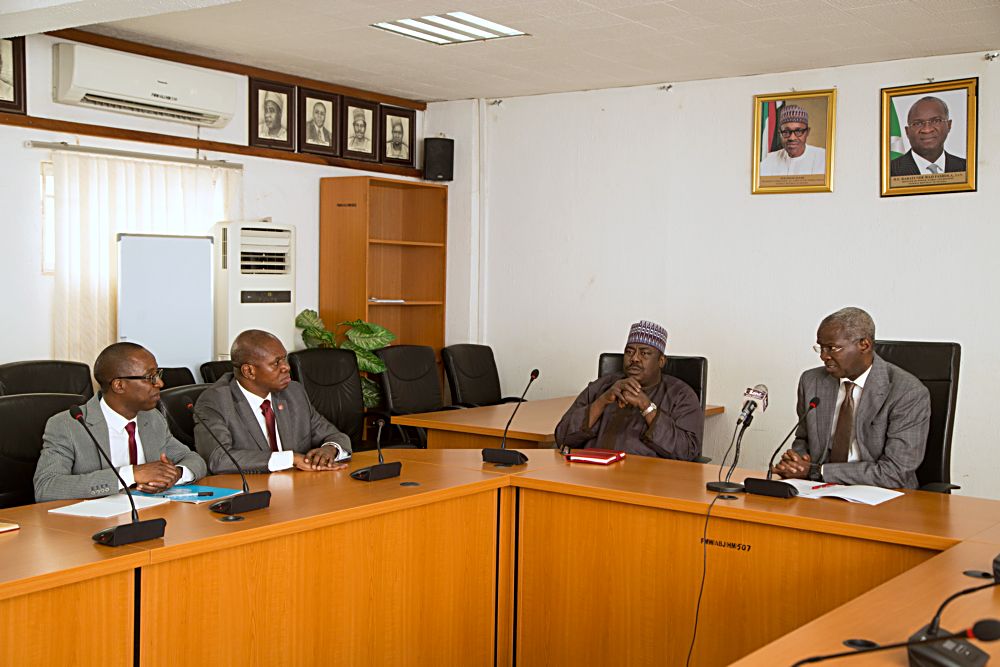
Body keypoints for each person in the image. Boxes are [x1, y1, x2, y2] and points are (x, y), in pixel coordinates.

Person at [773, 307, 931, 489]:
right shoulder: (811, 381)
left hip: (882, 495)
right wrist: (797, 461)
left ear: (864, 345)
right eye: (821, 348)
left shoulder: (908, 392)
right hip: (817, 491)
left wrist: (816, 471)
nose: (824, 356)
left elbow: (896, 472)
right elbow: (804, 438)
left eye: (833, 348)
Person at [33, 343, 208, 502]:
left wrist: (175, 474)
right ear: (119, 385)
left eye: (158, 375)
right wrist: (131, 474)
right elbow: (47, 487)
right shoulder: (69, 425)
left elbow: (194, 459)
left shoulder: (152, 418)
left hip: (150, 514)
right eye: (150, 377)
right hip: (92, 526)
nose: (160, 383)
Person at [193, 329, 352, 474]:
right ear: (249, 371)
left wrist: (330, 450)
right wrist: (290, 459)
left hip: (300, 489)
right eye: (276, 363)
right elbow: (218, 459)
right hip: (252, 494)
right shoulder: (214, 402)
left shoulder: (293, 393)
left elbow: (335, 435)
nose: (286, 368)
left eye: (285, 359)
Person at [555, 320, 703, 460]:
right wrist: (603, 401)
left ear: (661, 361)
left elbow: (688, 451)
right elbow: (562, 436)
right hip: (591, 474)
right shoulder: (601, 387)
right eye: (629, 352)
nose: (635, 358)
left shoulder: (680, 395)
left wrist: (647, 407)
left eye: (644, 353)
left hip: (648, 482)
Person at [890, 96, 967, 176]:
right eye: (918, 123)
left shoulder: (967, 168)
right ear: (907, 131)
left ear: (949, 125)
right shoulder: (889, 171)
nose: (927, 129)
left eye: (936, 121)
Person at [759, 104, 826, 176]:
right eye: (786, 132)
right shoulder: (769, 160)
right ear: (780, 133)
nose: (792, 138)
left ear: (807, 132)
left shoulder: (823, 158)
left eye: (798, 131)